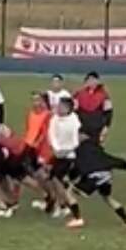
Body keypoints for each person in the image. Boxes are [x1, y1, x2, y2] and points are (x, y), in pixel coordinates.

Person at [67, 133, 126, 228]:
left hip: (95, 177)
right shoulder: (96, 148)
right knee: (107, 198)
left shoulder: (79, 151)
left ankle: (77, 219)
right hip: (107, 175)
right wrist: (124, 165)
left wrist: (70, 177)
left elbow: (78, 167)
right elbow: (109, 159)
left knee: (69, 192)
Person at [48, 97, 82, 227]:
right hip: (58, 154)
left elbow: (75, 140)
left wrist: (65, 151)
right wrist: (57, 150)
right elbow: (52, 135)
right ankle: (62, 205)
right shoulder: (54, 119)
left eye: (61, 106)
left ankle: (66, 207)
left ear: (68, 108)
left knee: (58, 180)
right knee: (55, 180)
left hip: (69, 156)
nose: (58, 108)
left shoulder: (74, 120)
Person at [74, 71, 113, 141]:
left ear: (97, 81)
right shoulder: (79, 94)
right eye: (89, 80)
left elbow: (108, 113)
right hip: (82, 128)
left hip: (96, 129)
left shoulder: (104, 95)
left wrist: (106, 127)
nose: (91, 82)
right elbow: (74, 110)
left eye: (93, 79)